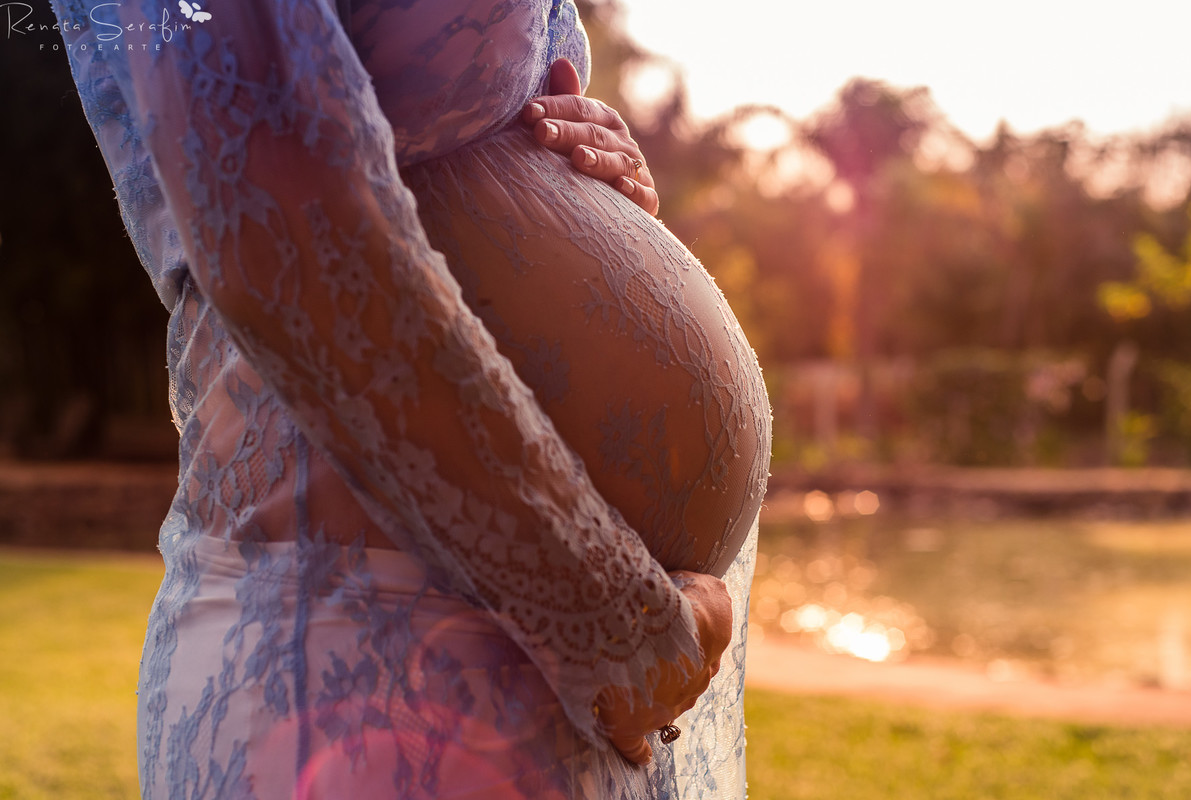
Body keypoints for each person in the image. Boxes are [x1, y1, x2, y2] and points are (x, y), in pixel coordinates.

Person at [51, 1, 771, 797]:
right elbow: (275, 228)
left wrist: (567, 149)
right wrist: (616, 628)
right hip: (375, 649)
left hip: (550, 665)